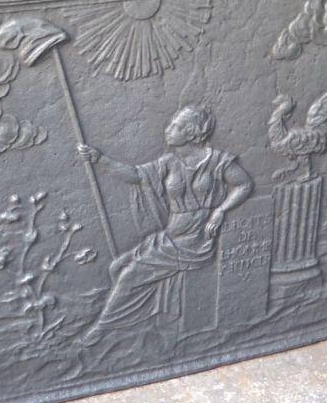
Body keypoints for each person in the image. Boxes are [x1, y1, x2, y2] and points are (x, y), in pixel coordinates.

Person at [78, 104, 252, 338]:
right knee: (117, 267)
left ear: (191, 133)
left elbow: (243, 184)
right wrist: (100, 159)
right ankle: (140, 321)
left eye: (175, 126)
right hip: (172, 236)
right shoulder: (169, 162)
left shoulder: (217, 161)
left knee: (128, 275)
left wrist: (220, 211)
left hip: (196, 240)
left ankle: (103, 327)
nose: (167, 129)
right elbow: (136, 175)